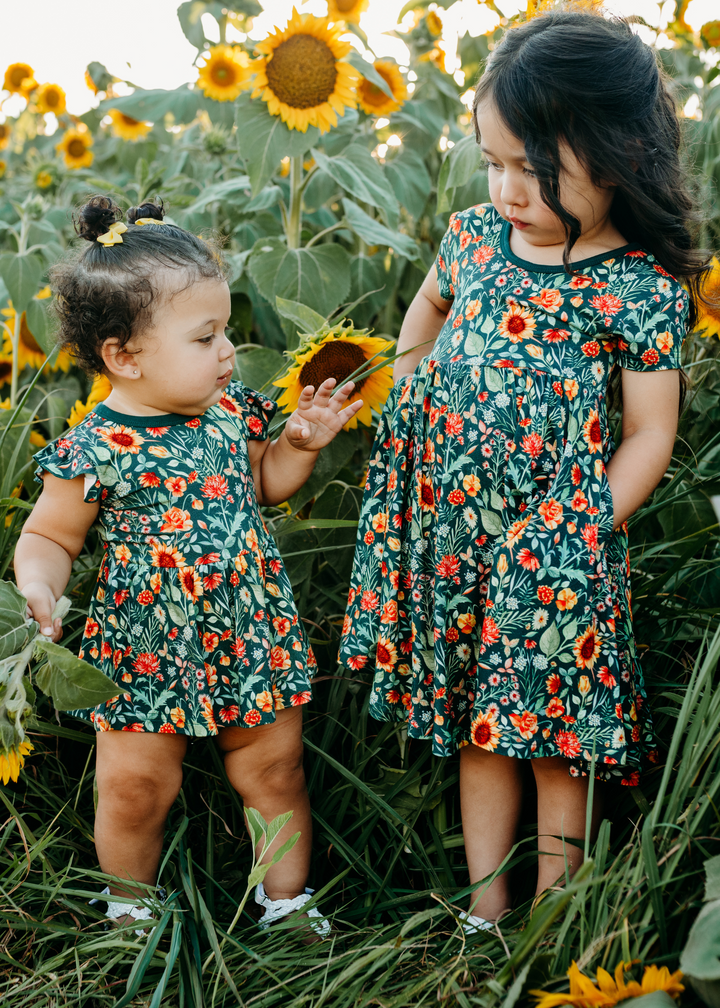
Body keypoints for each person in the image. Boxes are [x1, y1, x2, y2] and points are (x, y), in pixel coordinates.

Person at [339, 9, 712, 931]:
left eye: (532, 168)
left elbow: (650, 434)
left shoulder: (641, 285)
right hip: (454, 528)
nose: (506, 187)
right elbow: (423, 319)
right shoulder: (472, 239)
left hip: (554, 544)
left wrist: (583, 528)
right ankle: (481, 909)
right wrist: (417, 392)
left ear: (615, 155)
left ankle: (557, 911)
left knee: (555, 741)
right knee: (481, 724)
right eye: (491, 161)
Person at [15, 195, 363, 936]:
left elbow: (262, 484)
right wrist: (40, 586)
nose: (229, 351)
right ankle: (132, 908)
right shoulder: (94, 448)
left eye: (225, 331)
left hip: (249, 626)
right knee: (136, 785)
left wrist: (297, 446)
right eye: (206, 337)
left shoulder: (229, 410)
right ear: (124, 356)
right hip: (145, 644)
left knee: (274, 774)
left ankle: (286, 901)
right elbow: (50, 536)